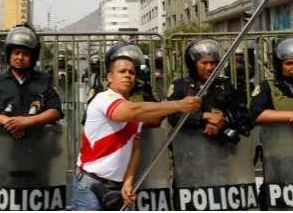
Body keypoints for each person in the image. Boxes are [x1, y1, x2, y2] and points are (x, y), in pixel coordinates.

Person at [73, 42, 201, 210]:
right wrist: (178, 105)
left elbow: (135, 148)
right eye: (122, 71)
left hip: (116, 187)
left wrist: (128, 181)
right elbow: (130, 112)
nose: (127, 75)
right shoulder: (103, 99)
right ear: (109, 77)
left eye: (131, 72)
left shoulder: (133, 106)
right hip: (89, 185)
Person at [0, 25, 63, 139]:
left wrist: (28, 121)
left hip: (38, 144)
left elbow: (55, 111)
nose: (20, 58)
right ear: (9, 55)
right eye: (16, 53)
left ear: (33, 57)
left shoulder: (45, 80)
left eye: (25, 54)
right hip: (3, 145)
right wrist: (8, 122)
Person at [167, 37, 251, 140]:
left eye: (213, 63)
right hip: (187, 147)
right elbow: (173, 116)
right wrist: (204, 117)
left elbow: (243, 116)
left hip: (222, 151)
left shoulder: (225, 85)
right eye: (204, 63)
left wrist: (222, 122)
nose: (210, 68)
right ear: (193, 64)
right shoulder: (180, 86)